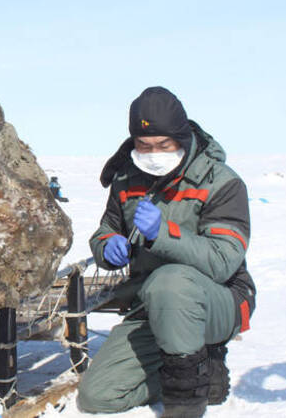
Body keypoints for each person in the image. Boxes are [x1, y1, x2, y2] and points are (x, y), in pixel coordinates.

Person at [76, 87, 256, 417]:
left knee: (169, 282)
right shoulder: (126, 179)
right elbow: (107, 229)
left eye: (163, 145)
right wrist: (106, 246)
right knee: (97, 396)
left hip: (220, 301)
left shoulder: (223, 183)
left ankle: (186, 400)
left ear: (182, 138)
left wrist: (163, 234)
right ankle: (193, 366)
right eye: (144, 146)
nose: (153, 153)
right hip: (152, 304)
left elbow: (222, 261)